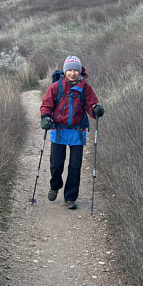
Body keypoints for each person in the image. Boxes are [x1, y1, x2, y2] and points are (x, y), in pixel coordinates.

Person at [39, 55, 104, 209]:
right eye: (70, 70)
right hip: (58, 130)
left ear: (80, 71)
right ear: (65, 71)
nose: (72, 73)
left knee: (75, 166)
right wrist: (46, 117)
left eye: (76, 70)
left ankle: (70, 198)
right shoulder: (56, 87)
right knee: (56, 164)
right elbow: (46, 105)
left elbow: (92, 105)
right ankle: (55, 186)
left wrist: (96, 110)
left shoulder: (85, 88)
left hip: (77, 131)